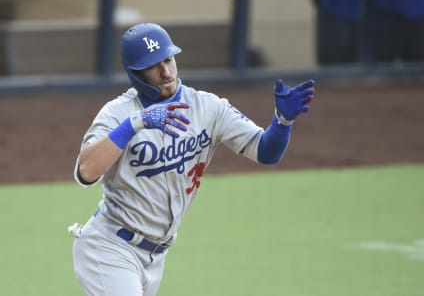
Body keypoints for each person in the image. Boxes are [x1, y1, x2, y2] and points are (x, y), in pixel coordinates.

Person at [69, 22, 315, 295]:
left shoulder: (208, 108)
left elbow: (265, 152)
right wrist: (135, 124)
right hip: (109, 248)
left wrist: (283, 122)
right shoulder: (117, 113)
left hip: (156, 256)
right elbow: (86, 172)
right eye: (154, 66)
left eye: (169, 60)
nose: (165, 72)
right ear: (136, 73)